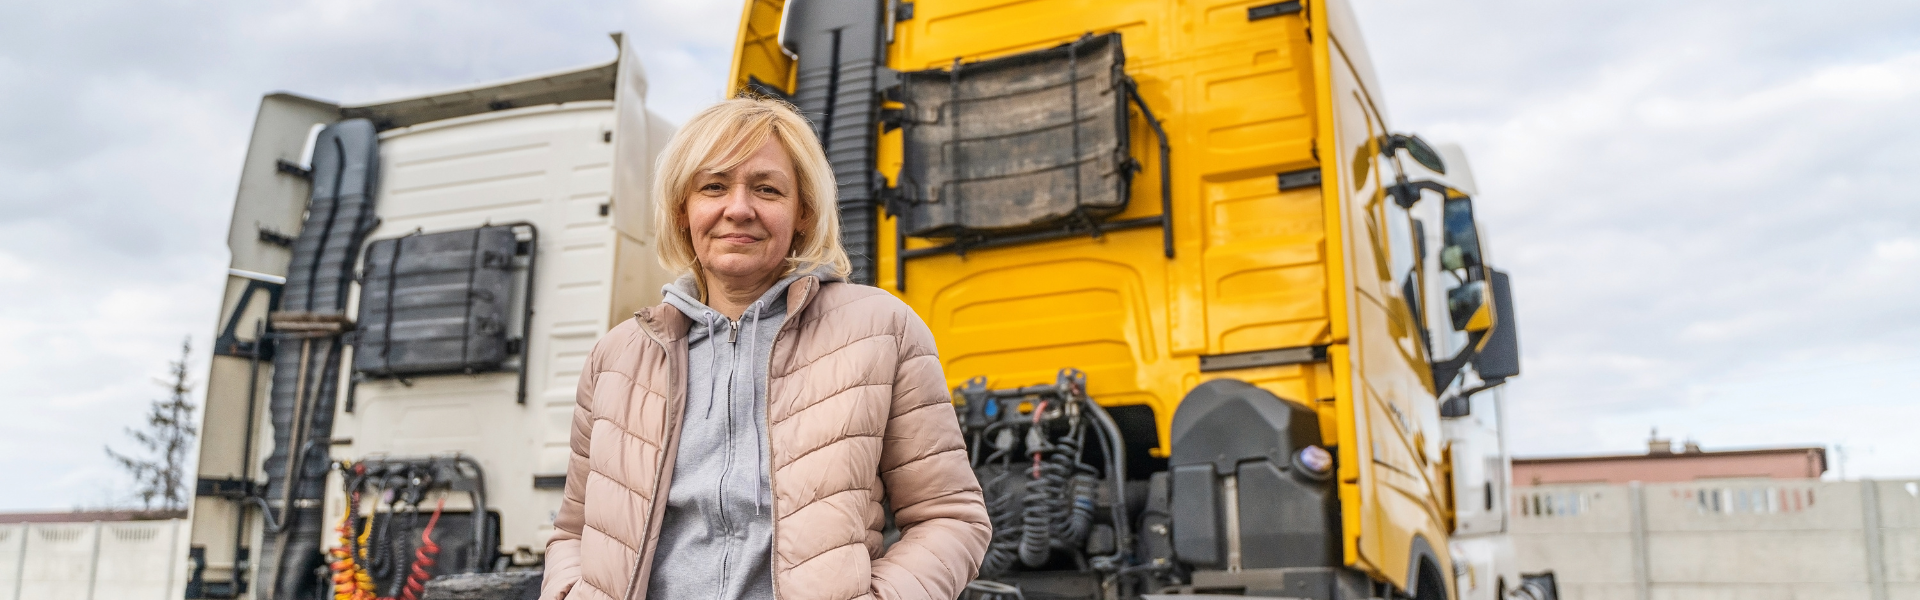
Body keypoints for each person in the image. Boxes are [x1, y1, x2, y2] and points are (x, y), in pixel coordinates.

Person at [539, 97, 990, 600]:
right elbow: (573, 532)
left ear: (803, 213)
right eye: (713, 187)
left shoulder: (880, 328)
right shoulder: (617, 358)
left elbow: (949, 517)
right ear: (682, 211)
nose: (738, 208)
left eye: (767, 189)